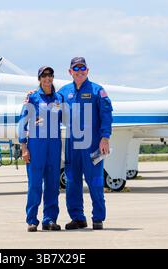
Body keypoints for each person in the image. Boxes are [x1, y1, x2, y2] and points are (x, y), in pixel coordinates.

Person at [59, 57, 113, 230]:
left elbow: (106, 115)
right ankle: (78, 218)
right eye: (76, 69)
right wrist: (32, 95)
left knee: (95, 181)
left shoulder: (98, 91)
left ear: (87, 71)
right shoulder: (64, 92)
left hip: (93, 144)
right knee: (72, 182)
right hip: (72, 145)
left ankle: (98, 218)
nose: (79, 71)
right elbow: (50, 103)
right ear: (70, 72)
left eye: (83, 69)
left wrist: (105, 138)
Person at [18, 66, 63, 232]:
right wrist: (24, 147)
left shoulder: (59, 98)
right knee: (35, 184)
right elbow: (22, 123)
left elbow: (66, 117)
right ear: (39, 79)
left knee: (52, 184)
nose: (47, 78)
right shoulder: (32, 98)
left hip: (54, 145)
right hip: (36, 145)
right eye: (44, 76)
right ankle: (32, 220)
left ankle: (49, 219)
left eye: (50, 75)